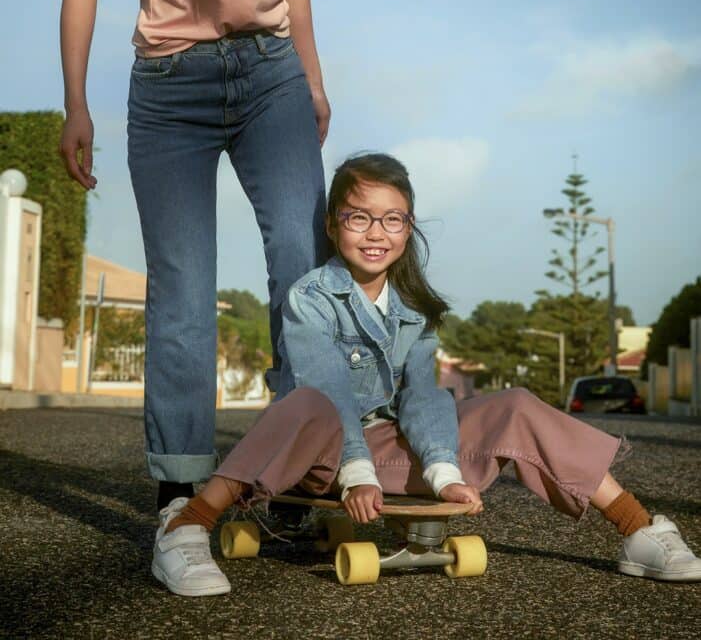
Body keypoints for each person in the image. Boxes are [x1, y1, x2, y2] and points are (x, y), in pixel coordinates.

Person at [150, 153, 701, 595]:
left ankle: (639, 531)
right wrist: (356, 472)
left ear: (408, 228)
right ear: (333, 223)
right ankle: (188, 526)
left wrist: (442, 470)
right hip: (320, 455)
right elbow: (328, 387)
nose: (375, 232)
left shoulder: (414, 309)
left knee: (515, 404)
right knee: (307, 401)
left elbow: (423, 397)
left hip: (392, 450)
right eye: (358, 216)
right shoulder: (310, 298)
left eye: (392, 219)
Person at [59, 0, 329, 517]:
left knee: (301, 263)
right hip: (169, 86)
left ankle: (296, 464)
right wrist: (76, 102)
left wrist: (315, 82)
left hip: (270, 75)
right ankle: (181, 489)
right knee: (182, 283)